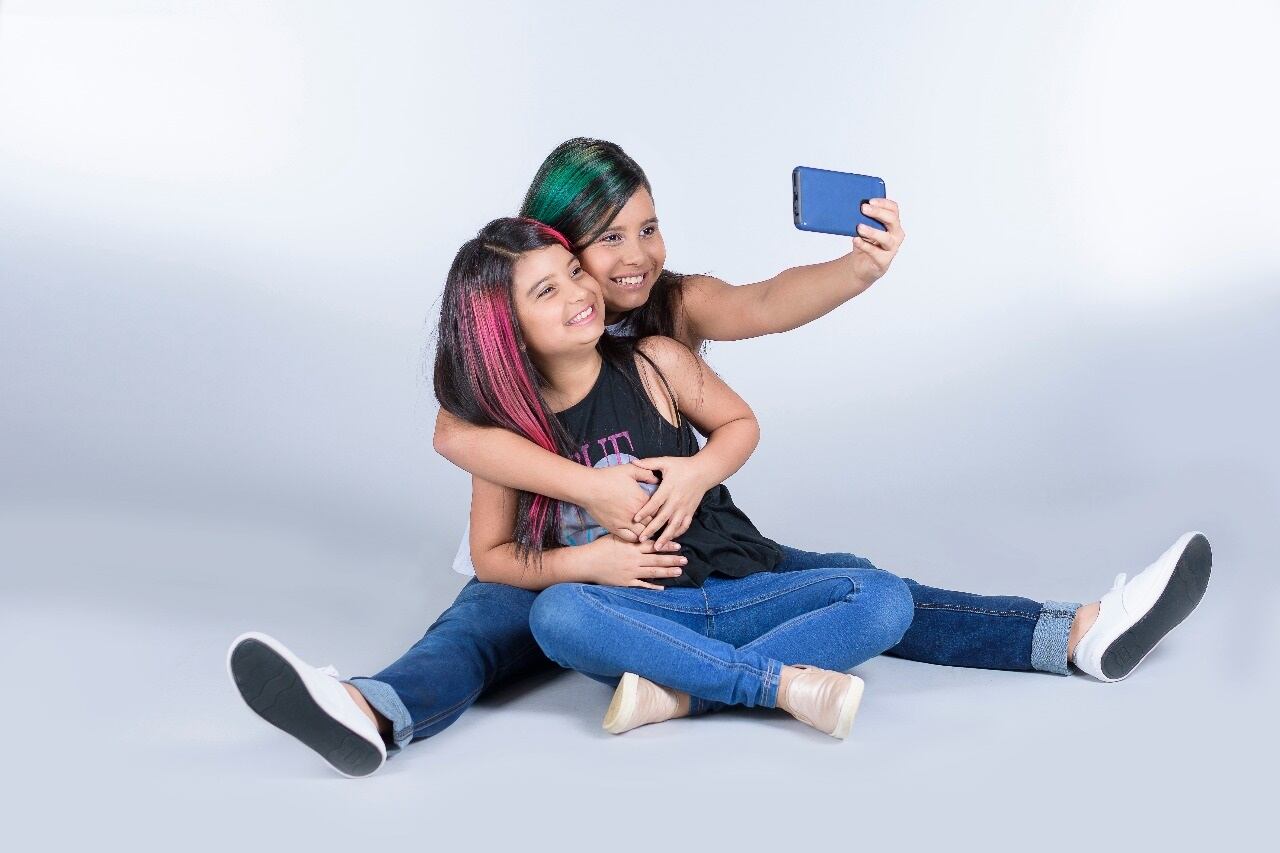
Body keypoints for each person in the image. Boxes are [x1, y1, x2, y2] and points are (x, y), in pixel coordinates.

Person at [226, 139, 1212, 778]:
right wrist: (590, 499)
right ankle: (369, 711)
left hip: (700, 557)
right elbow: (455, 436)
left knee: (874, 590)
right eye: (603, 241)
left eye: (647, 229)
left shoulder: (663, 325)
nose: (631, 258)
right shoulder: (510, 350)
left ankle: (1073, 633)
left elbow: (766, 303)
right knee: (475, 637)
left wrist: (857, 268)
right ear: (551, 248)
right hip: (554, 565)